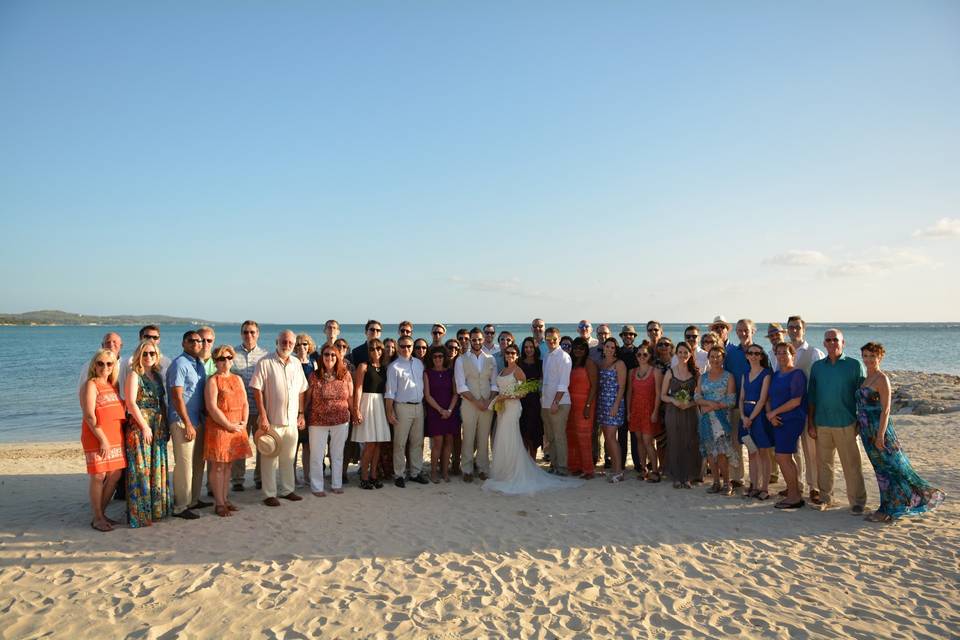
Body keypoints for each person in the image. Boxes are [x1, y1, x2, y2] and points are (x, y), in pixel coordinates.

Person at [857, 342, 945, 522]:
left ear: (880, 357)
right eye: (865, 356)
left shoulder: (882, 379)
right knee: (880, 470)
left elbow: (886, 409)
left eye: (872, 356)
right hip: (866, 431)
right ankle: (888, 507)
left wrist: (880, 435)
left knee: (893, 469)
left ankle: (890, 509)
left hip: (879, 431)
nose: (868, 360)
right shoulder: (865, 378)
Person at [481, 345, 584, 495]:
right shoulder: (503, 370)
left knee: (511, 436)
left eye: (513, 353)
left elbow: (523, 393)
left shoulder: (518, 371)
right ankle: (504, 471)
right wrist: (498, 398)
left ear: (517, 355)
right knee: (502, 437)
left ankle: (514, 471)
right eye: (508, 353)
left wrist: (506, 397)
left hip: (513, 407)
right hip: (502, 408)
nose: (510, 355)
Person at [807, 328, 867, 513]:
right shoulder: (818, 367)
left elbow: (863, 396)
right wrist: (811, 422)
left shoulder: (854, 365)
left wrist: (860, 421)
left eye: (836, 340)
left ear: (843, 343)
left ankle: (857, 502)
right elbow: (812, 397)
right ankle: (826, 498)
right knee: (824, 464)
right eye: (829, 340)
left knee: (852, 465)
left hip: (846, 423)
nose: (832, 343)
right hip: (822, 422)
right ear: (824, 343)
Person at [250, 330, 308, 507]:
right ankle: (269, 494)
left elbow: (301, 390)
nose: (287, 345)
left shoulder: (297, 363)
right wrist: (263, 415)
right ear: (277, 342)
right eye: (284, 342)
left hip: (291, 421)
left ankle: (287, 490)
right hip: (271, 420)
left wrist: (301, 414)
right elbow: (256, 389)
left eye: (291, 343)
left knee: (289, 457)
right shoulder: (265, 362)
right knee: (269, 457)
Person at [123, 339, 173, 528]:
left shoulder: (158, 375)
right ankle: (141, 515)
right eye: (145, 353)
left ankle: (156, 510)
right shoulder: (134, 375)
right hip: (140, 427)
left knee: (156, 468)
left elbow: (162, 402)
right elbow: (131, 403)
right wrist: (144, 426)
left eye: (152, 353)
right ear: (139, 355)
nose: (149, 357)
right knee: (141, 470)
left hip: (158, 426)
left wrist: (165, 425)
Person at [80, 348, 126, 531]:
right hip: (97, 436)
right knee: (99, 476)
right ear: (94, 365)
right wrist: (102, 439)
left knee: (115, 475)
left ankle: (102, 513)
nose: (104, 367)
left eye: (109, 364)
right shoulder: (91, 384)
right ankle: (97, 518)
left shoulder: (113, 385)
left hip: (115, 436)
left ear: (114, 366)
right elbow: (89, 416)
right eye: (100, 363)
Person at [203, 345, 252, 517]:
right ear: (215, 361)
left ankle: (225, 498)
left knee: (229, 465)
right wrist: (228, 425)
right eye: (222, 359)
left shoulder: (237, 379)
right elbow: (212, 407)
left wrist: (244, 422)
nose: (226, 361)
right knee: (218, 466)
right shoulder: (213, 380)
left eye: (229, 358)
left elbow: (245, 402)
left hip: (237, 426)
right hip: (219, 427)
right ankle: (219, 503)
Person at [166, 330, 209, 520]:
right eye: (191, 341)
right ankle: (180, 505)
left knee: (199, 462)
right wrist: (187, 422)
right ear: (183, 343)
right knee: (184, 465)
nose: (196, 344)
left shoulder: (200, 365)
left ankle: (193, 500)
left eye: (199, 341)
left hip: (198, 420)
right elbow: (176, 396)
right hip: (183, 421)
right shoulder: (180, 364)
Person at [305, 344, 353, 497]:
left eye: (333, 355)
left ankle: (336, 484)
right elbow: (307, 398)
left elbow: (350, 397)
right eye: (326, 354)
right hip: (317, 421)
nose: (330, 357)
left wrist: (355, 411)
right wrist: (301, 414)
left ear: (338, 357)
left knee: (337, 454)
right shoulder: (314, 375)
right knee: (317, 455)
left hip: (341, 419)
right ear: (322, 356)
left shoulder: (345, 374)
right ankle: (317, 487)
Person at [787, 314, 825, 502]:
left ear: (804, 330)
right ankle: (797, 485)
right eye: (791, 327)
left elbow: (820, 382)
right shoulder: (781, 352)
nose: (794, 330)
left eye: (797, 327)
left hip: (808, 407)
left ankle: (814, 486)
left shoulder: (814, 353)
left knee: (811, 449)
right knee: (793, 450)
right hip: (788, 409)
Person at [766, 343, 808, 509]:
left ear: (793, 355)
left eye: (785, 353)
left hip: (791, 420)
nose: (782, 356)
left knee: (783, 456)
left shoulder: (797, 374)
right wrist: (771, 416)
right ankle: (793, 492)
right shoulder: (776, 375)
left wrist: (773, 413)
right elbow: (768, 398)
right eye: (779, 353)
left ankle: (794, 496)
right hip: (776, 420)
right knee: (783, 457)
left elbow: (796, 401)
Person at [455, 328, 499, 483]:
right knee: (468, 436)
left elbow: (494, 384)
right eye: (473, 340)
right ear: (469, 341)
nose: (477, 342)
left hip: (487, 403)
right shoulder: (461, 360)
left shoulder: (491, 359)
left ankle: (483, 468)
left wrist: (488, 401)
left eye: (479, 339)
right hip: (469, 403)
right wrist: (476, 401)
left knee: (483, 437)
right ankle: (466, 469)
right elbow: (461, 386)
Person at [384, 337, 428, 487]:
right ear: (398, 347)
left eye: (409, 346)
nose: (406, 349)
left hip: (419, 407)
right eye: (402, 346)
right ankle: (399, 475)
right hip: (402, 407)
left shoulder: (418, 363)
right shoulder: (394, 367)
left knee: (417, 442)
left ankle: (415, 472)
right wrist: (389, 412)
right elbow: (390, 392)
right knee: (400, 443)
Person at [232, 320, 269, 492]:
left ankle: (260, 478)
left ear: (258, 334)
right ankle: (238, 479)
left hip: (259, 407)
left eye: (252, 332)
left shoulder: (265, 355)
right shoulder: (232, 354)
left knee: (262, 444)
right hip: (238, 410)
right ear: (241, 334)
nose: (249, 335)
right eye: (246, 332)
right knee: (239, 445)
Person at [695, 347, 737, 496]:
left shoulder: (728, 376)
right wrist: (707, 404)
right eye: (712, 356)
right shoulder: (703, 377)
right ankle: (715, 482)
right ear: (708, 358)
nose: (715, 359)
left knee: (721, 453)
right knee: (710, 453)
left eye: (718, 357)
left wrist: (713, 406)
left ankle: (727, 483)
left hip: (722, 419)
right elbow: (697, 397)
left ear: (723, 358)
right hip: (706, 418)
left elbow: (731, 400)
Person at [352, 338, 390, 490]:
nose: (376, 351)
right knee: (369, 444)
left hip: (380, 405)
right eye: (373, 349)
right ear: (369, 351)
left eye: (379, 348)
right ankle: (364, 477)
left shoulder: (384, 368)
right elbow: (358, 388)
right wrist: (356, 409)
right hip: (367, 404)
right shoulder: (363, 366)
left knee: (378, 443)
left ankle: (374, 476)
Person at [661, 342, 700, 489]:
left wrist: (689, 404)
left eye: (686, 352)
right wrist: (674, 400)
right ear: (676, 354)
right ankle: (677, 476)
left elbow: (699, 396)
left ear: (690, 354)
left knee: (690, 442)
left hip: (691, 411)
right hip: (673, 411)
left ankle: (689, 476)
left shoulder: (695, 373)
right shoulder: (670, 372)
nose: (683, 355)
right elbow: (663, 395)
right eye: (680, 352)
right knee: (675, 442)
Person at [739, 346, 773, 500]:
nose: (753, 356)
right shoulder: (745, 375)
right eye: (750, 353)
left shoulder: (766, 374)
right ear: (747, 356)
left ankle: (764, 488)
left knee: (764, 453)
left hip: (758, 418)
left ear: (761, 356)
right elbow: (740, 398)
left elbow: (762, 399)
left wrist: (751, 418)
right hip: (745, 416)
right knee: (752, 452)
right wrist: (743, 417)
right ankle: (754, 485)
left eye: (756, 353)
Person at [626, 344, 662, 482]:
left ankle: (655, 470)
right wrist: (629, 411)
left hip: (649, 410)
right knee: (639, 441)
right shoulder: (632, 372)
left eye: (645, 354)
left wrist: (655, 412)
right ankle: (643, 468)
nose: (642, 357)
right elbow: (629, 392)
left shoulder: (656, 372)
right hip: (636, 410)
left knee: (648, 442)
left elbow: (658, 394)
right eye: (639, 354)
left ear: (650, 356)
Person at [424, 347, 459, 483]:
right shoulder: (427, 373)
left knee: (449, 442)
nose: (438, 359)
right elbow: (427, 395)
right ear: (431, 358)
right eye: (435, 357)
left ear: (444, 358)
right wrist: (440, 410)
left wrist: (449, 410)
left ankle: (444, 472)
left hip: (450, 411)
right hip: (435, 411)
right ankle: (433, 472)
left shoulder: (451, 373)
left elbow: (456, 393)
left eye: (440, 356)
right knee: (437, 443)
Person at [540, 327, 572, 475]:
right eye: (548, 339)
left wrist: (555, 402)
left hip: (559, 402)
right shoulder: (547, 356)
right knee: (550, 436)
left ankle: (562, 466)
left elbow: (563, 383)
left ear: (558, 339)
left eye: (554, 339)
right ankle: (554, 464)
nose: (551, 342)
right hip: (546, 403)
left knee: (559, 436)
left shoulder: (564, 357)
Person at [566, 338, 598, 479]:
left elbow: (595, 386)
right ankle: (576, 466)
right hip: (570, 404)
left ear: (586, 350)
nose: (578, 350)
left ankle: (589, 470)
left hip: (585, 403)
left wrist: (588, 405)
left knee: (584, 438)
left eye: (581, 348)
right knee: (572, 436)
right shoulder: (571, 363)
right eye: (576, 347)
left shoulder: (589, 363)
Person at [597, 338, 627, 483]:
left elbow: (622, 387)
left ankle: (619, 471)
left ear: (616, 349)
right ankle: (614, 468)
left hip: (614, 403)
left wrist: (615, 405)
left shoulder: (619, 364)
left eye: (612, 347)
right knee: (607, 438)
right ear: (603, 347)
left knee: (611, 437)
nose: (609, 349)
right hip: (602, 403)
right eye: (607, 346)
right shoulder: (601, 363)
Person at [293, 333, 318, 487]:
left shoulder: (314, 363)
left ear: (309, 346)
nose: (302, 347)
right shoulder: (292, 362)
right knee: (294, 445)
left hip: (311, 408)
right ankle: (293, 477)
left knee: (308, 445)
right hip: (295, 408)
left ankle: (308, 475)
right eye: (299, 344)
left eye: (305, 344)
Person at [518, 337, 544, 459]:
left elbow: (543, 383)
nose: (528, 349)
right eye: (526, 347)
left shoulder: (540, 364)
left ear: (535, 348)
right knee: (523, 433)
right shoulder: (518, 363)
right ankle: (525, 462)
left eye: (531, 347)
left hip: (535, 402)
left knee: (534, 434)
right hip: (521, 401)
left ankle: (532, 461)